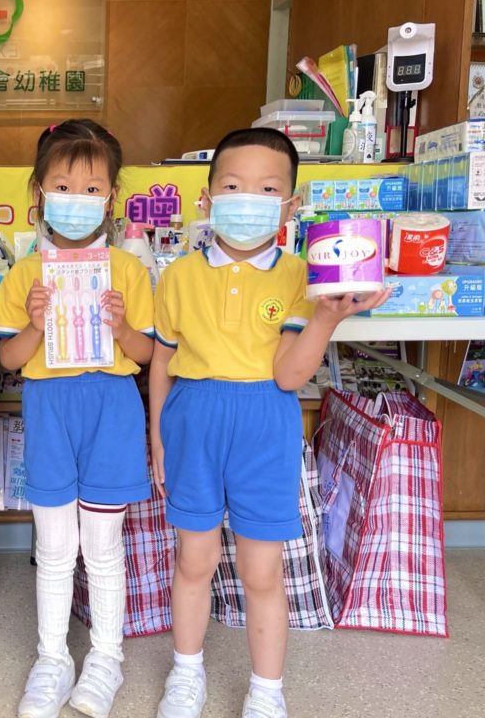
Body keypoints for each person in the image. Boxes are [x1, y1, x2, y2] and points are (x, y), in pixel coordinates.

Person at [149, 128, 391, 718]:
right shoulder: (178, 275)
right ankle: (186, 673)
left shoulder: (302, 276)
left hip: (265, 426)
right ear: (207, 197)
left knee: (262, 571)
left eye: (267, 188)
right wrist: (157, 439)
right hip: (192, 424)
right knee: (194, 561)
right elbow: (160, 362)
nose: (248, 199)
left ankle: (266, 689)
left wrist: (327, 320)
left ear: (290, 205)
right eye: (233, 186)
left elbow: (289, 376)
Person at [0, 119, 155, 718]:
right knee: (56, 546)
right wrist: (35, 323)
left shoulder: (129, 270)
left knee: (103, 546)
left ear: (111, 197)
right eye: (63, 186)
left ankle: (106, 658)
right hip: (49, 411)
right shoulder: (23, 275)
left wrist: (123, 327)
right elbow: (9, 359)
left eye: (92, 188)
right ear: (39, 192)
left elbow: (146, 354)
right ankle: (52, 658)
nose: (77, 199)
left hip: (112, 410)